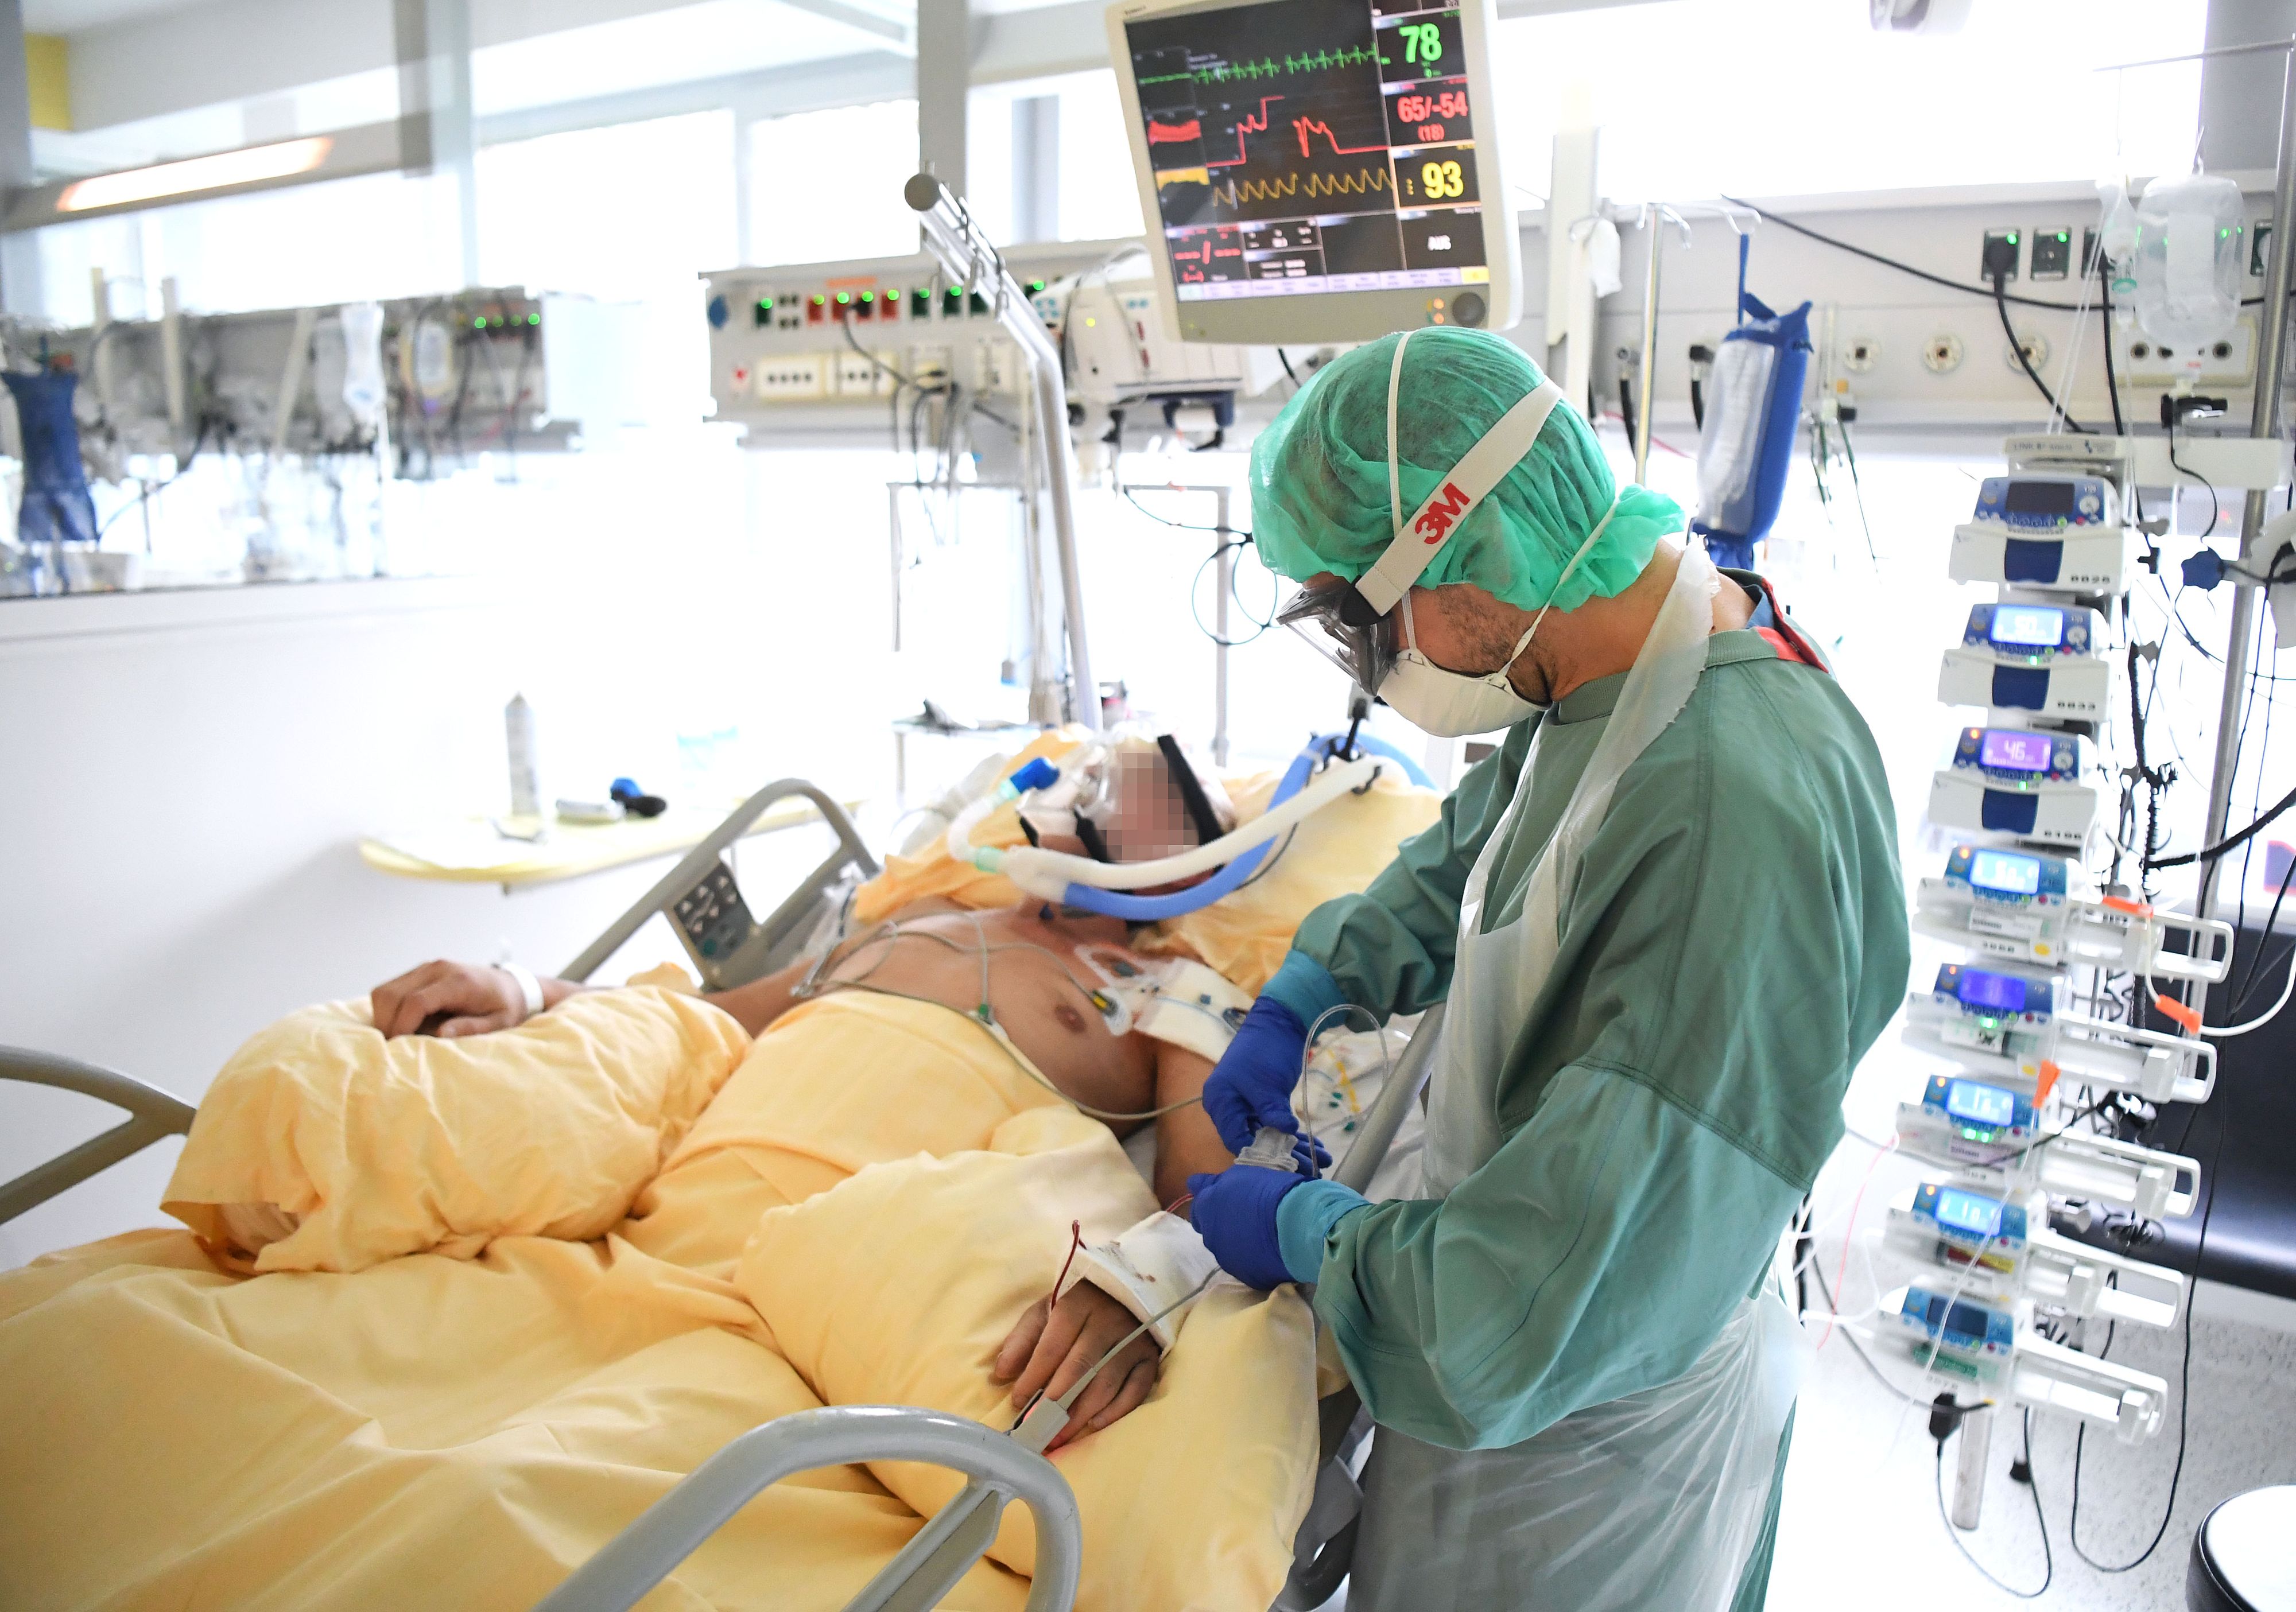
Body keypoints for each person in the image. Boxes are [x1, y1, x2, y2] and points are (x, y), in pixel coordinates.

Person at [1183, 328, 1910, 1611]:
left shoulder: (1723, 818)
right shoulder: (1611, 670)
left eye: (1363, 617)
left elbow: (1513, 1311)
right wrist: (1310, 985)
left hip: (1591, 1452)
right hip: (1535, 1372)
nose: (1374, 670)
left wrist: (1314, 1237)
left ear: (1466, 548)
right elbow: (1486, 848)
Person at [371, 893, 1240, 1452]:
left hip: (834, 1291)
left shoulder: (1177, 986)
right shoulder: (921, 912)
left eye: (1156, 787)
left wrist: (1142, 1281)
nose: (1107, 793)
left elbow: (1203, 1192)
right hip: (651, 1237)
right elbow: (715, 1015)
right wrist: (528, 990)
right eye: (1099, 777)